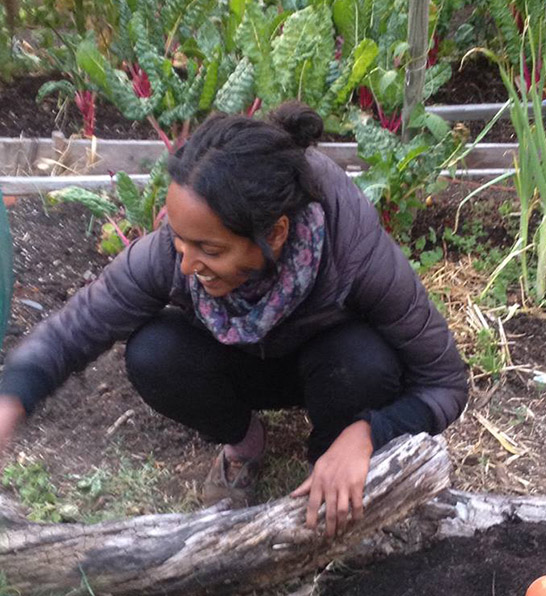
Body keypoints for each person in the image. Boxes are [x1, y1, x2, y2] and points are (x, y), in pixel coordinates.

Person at [0, 102, 468, 537]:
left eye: (210, 249)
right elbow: (74, 328)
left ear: (276, 233)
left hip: (329, 365)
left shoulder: (353, 250)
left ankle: (329, 460)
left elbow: (445, 382)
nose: (186, 264)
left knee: (364, 361)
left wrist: (365, 435)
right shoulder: (175, 252)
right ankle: (244, 444)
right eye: (180, 239)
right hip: (240, 362)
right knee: (153, 353)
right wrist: (11, 398)